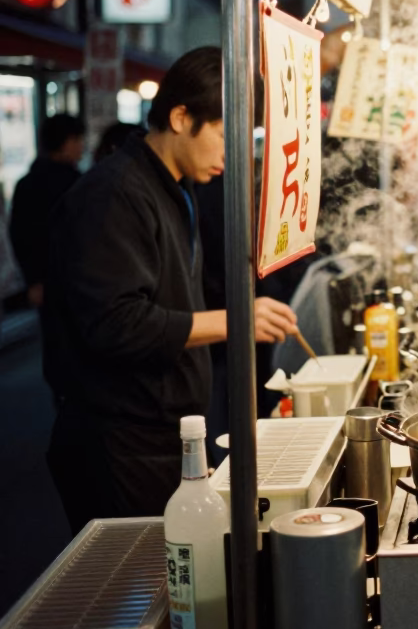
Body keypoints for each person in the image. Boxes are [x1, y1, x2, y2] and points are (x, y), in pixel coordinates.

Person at [44, 47, 298, 534]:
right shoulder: (114, 194)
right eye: (225, 136)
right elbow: (116, 324)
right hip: (119, 442)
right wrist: (237, 318)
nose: (232, 155)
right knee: (146, 591)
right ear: (181, 117)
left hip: (165, 432)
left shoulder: (174, 188)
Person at [9, 113, 85, 308]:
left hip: (45, 281)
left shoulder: (26, 183)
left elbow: (19, 234)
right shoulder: (79, 183)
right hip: (79, 280)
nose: (81, 147)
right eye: (77, 140)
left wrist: (33, 280)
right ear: (65, 142)